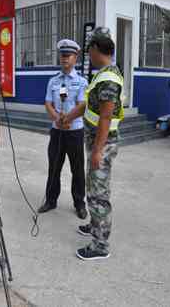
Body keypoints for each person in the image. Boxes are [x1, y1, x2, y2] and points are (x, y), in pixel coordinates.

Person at [64, 28, 124, 260]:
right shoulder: (102, 74)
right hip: (95, 140)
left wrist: (98, 151)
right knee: (93, 186)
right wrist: (68, 117)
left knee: (98, 192)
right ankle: (95, 224)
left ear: (98, 51)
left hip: (104, 143)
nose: (89, 56)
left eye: (90, 52)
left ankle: (100, 245)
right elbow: (89, 104)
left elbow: (106, 117)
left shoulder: (108, 79)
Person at [38, 39, 88, 220]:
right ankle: (51, 200)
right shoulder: (53, 81)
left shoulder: (81, 81)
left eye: (68, 55)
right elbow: (48, 103)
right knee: (54, 167)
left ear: (76, 58)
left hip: (74, 131)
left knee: (77, 169)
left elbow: (82, 105)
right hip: (57, 131)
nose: (64, 58)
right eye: (62, 55)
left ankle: (80, 204)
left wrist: (67, 118)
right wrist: (57, 118)